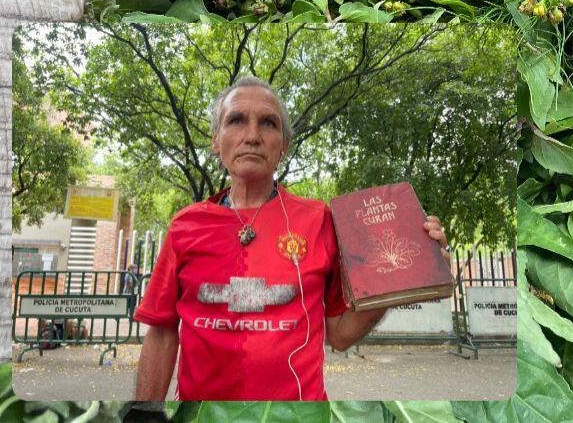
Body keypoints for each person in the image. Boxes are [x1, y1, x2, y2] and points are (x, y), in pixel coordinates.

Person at [133, 76, 449, 401]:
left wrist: (401, 280)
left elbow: (340, 335)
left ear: (283, 146)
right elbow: (160, 333)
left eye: (268, 123)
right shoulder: (186, 225)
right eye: (237, 120)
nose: (252, 136)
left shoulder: (319, 220)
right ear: (216, 140)